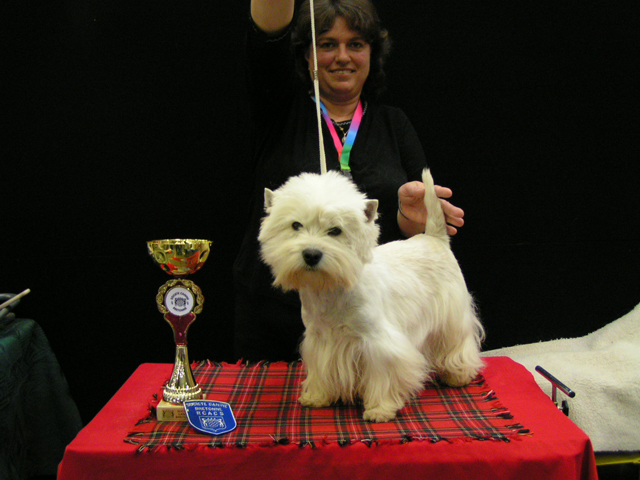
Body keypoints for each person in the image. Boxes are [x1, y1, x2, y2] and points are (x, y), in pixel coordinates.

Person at [233, 0, 465, 362]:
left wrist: (410, 217)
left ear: (372, 55)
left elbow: (415, 224)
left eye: (356, 44)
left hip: (367, 322)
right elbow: (267, 36)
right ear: (306, 56)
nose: (342, 56)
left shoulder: (394, 123)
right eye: (327, 44)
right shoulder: (278, 110)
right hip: (273, 321)